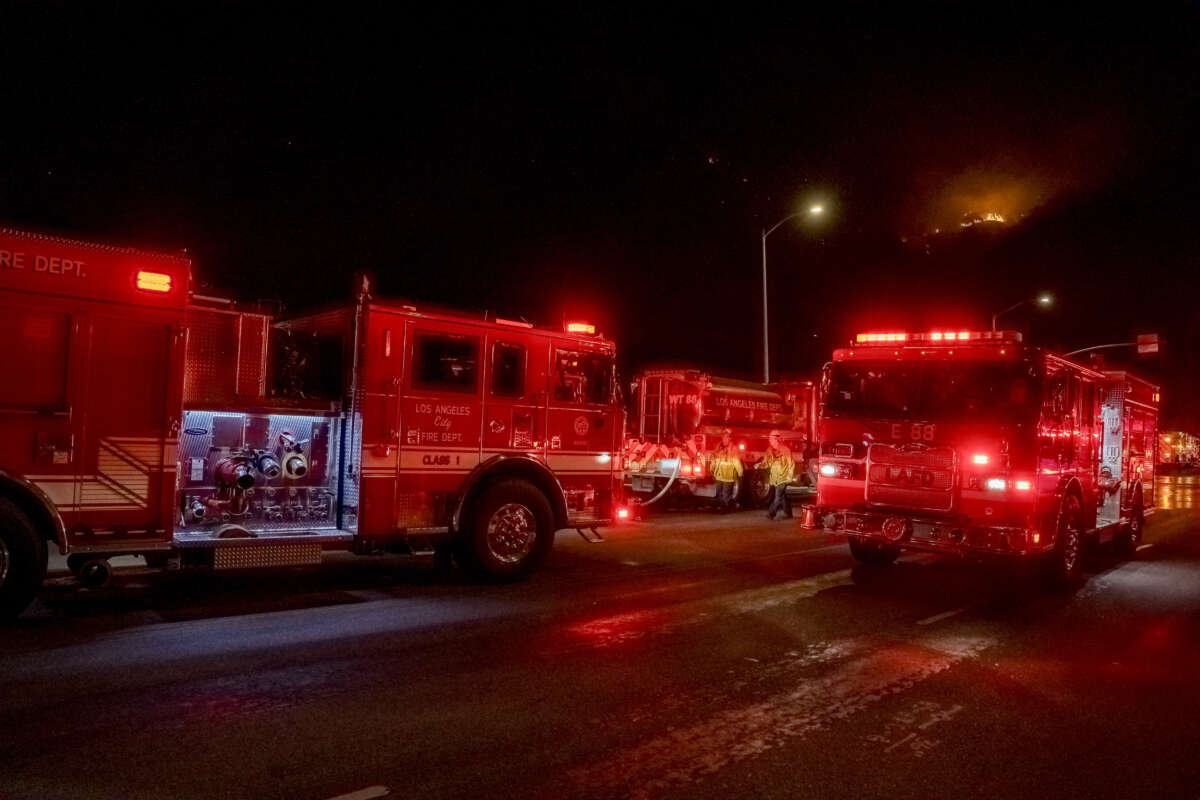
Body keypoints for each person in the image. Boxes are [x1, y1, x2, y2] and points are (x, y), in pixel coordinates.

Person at [757, 431, 795, 520]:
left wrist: (789, 476)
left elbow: (791, 464)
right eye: (770, 439)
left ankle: (771, 513)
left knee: (777, 496)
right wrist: (759, 465)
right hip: (775, 477)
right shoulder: (769, 450)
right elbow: (766, 463)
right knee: (782, 496)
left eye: (772, 439)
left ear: (777, 439)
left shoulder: (785, 450)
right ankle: (788, 513)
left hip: (783, 477)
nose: (770, 441)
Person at [709, 429, 743, 513]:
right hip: (719, 476)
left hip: (728, 477)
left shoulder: (733, 449)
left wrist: (740, 473)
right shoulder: (718, 447)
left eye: (727, 437)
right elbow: (715, 459)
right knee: (719, 493)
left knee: (726, 494)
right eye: (724, 437)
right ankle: (721, 507)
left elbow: (737, 462)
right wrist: (712, 469)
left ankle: (725, 508)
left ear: (730, 439)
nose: (725, 439)